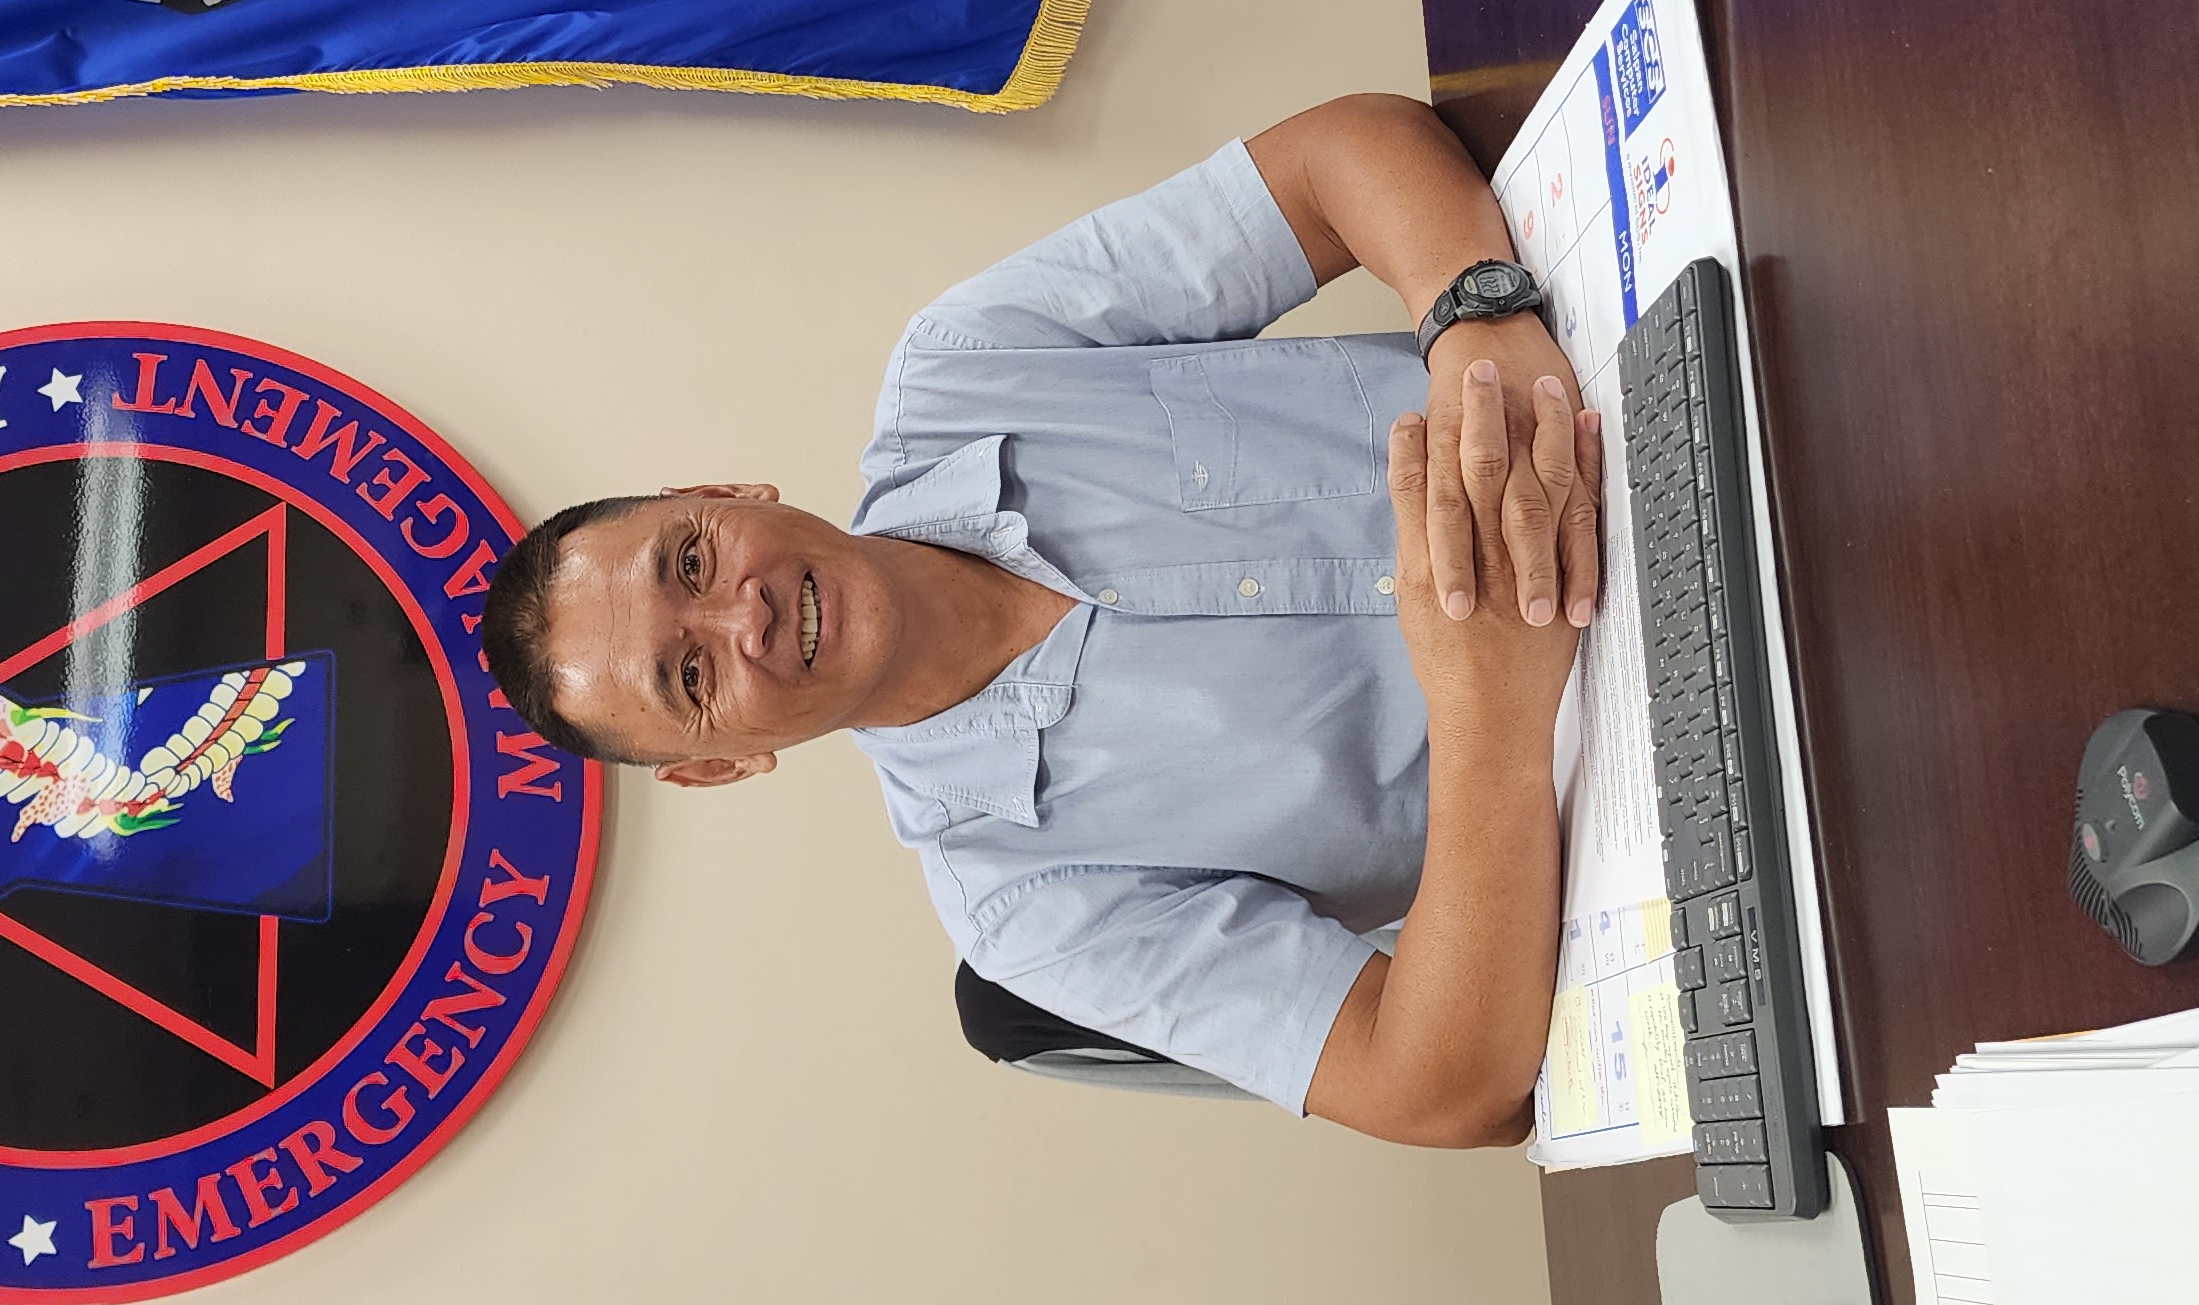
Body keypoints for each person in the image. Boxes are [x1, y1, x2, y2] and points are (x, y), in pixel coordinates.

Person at [481, 94, 1607, 1148]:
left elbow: (1338, 155)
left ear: (727, 496)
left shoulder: (968, 364)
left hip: (1614, 395)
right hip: (1650, 756)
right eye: (691, 678)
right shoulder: (1022, 912)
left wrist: (1473, 312)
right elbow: (1440, 1087)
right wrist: (1488, 714)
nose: (746, 616)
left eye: (693, 559)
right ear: (725, 766)